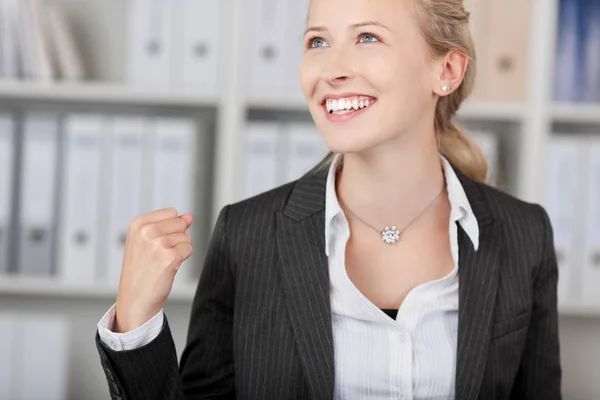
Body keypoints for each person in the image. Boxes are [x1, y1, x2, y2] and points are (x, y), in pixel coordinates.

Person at [95, 0, 562, 398]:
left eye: (367, 38)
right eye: (317, 42)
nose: (333, 70)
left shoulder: (524, 235)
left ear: (446, 70)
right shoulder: (247, 235)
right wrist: (136, 324)